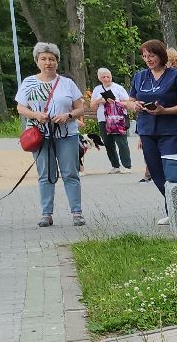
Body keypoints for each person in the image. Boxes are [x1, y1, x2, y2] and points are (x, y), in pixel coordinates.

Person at [125, 39, 177, 223]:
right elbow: (129, 100)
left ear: (161, 55)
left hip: (172, 130)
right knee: (156, 172)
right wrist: (135, 105)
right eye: (145, 56)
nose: (148, 59)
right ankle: (173, 209)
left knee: (172, 172)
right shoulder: (140, 76)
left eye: (152, 55)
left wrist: (165, 110)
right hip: (148, 130)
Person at [15, 42, 87, 227]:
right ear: (37, 61)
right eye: (44, 59)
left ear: (57, 62)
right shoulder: (29, 82)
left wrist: (68, 115)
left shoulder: (67, 83)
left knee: (70, 173)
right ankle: (46, 214)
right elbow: (20, 107)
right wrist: (36, 115)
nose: (48, 63)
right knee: (46, 174)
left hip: (67, 134)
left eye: (52, 59)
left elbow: (81, 108)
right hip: (40, 135)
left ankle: (77, 212)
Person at [91, 68, 133, 173]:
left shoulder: (118, 88)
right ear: (99, 78)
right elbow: (92, 106)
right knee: (108, 143)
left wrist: (116, 101)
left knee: (122, 142)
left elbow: (128, 103)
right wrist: (100, 100)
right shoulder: (97, 89)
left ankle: (127, 166)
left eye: (108, 76)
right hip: (103, 120)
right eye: (103, 77)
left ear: (111, 76)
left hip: (117, 119)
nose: (106, 79)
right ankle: (115, 165)